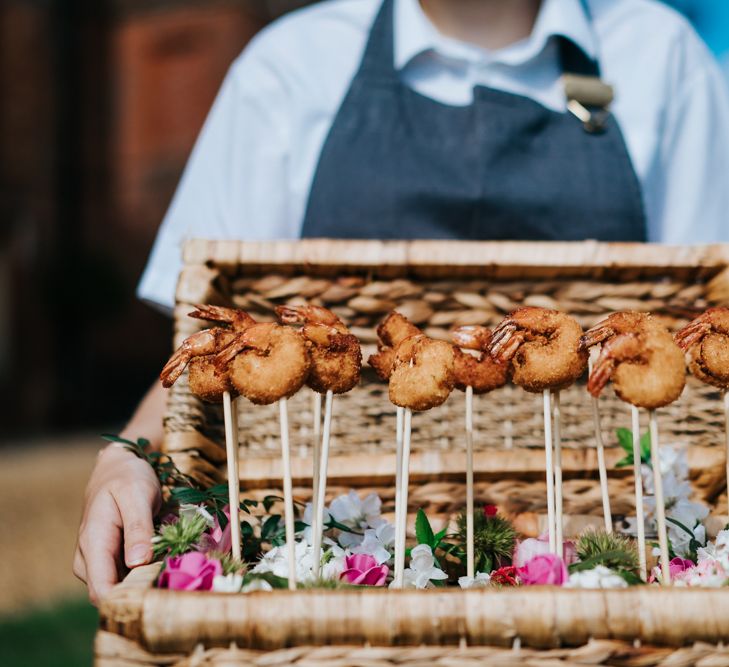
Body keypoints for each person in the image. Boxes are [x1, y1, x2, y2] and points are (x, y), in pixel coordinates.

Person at [75, 0, 729, 604]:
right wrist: (126, 460)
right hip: (327, 578)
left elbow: (709, 328)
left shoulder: (662, 59)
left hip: (617, 578)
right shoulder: (288, 68)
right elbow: (201, 358)